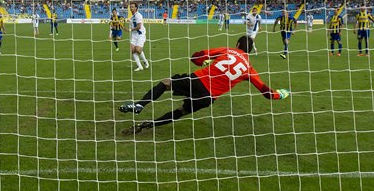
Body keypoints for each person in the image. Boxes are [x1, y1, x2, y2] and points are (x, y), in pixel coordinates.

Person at [118, 36, 290, 134]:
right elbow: (266, 92)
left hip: (198, 81)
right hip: (208, 97)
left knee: (165, 83)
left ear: (237, 45)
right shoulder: (249, 69)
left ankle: (140, 105)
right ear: (250, 51)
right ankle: (147, 126)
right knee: (182, 111)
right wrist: (281, 93)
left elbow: (196, 56)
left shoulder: (227, 50)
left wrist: (203, 61)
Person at [128, 2, 149, 71]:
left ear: (136, 8)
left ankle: (145, 61)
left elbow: (139, 26)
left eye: (132, 7)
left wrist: (131, 29)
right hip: (134, 35)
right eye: (130, 7)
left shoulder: (138, 15)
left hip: (140, 35)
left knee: (137, 49)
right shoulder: (131, 17)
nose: (131, 8)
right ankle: (140, 66)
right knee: (133, 50)